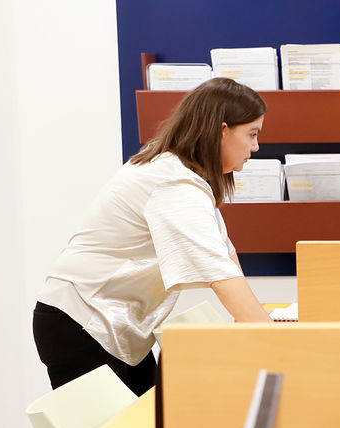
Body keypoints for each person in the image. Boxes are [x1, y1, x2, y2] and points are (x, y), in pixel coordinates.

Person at [33, 78, 272, 396]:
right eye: (252, 134)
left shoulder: (187, 176)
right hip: (81, 321)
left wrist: (260, 323)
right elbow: (219, 273)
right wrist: (274, 340)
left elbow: (225, 254)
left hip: (114, 324)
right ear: (222, 130)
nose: (255, 147)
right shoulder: (173, 183)